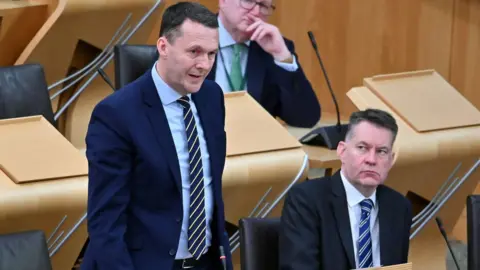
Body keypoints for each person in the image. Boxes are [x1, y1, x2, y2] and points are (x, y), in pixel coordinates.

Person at [81, 2, 232, 270]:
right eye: (194, 52)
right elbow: (106, 220)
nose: (204, 64)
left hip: (206, 261)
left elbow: (210, 189)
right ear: (163, 47)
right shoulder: (116, 114)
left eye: (211, 54)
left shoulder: (212, 97)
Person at [279, 109, 412, 270]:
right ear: (342, 151)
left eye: (381, 151)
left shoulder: (398, 207)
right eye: (362, 148)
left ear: (391, 160)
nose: (371, 160)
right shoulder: (306, 200)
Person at [207, 0, 320, 128]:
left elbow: (306, 118)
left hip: (255, 142)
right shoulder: (189, 40)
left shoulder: (273, 48)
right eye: (248, 1)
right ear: (223, 2)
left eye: (263, 5)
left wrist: (282, 56)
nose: (256, 12)